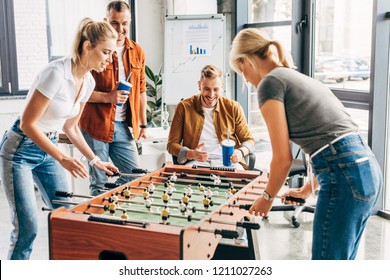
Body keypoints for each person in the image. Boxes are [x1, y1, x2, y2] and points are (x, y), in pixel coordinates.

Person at [229, 28, 382, 260]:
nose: (246, 80)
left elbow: (283, 159)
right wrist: (307, 188)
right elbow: (331, 140)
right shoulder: (295, 77)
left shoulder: (270, 83)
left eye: (241, 71)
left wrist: (267, 198)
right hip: (367, 171)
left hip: (345, 175)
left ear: (246, 60)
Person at [0, 18, 119, 260]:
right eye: (105, 52)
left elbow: (71, 127)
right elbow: (28, 124)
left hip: (49, 148)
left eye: (111, 53)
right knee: (27, 228)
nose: (109, 59)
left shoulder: (88, 82)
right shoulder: (55, 73)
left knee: (67, 216)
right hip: (20, 150)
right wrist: (63, 158)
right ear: (87, 46)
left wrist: (95, 160)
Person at [79, 0, 148, 196]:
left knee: (136, 175)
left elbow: (141, 90)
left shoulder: (137, 51)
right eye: (115, 23)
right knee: (99, 181)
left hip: (123, 126)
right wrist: (108, 97)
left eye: (124, 23)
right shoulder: (94, 50)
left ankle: (109, 199)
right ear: (105, 21)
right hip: (95, 124)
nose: (120, 29)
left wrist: (142, 125)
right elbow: (80, 91)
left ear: (130, 21)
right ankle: (100, 222)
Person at [167, 64, 255, 170]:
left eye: (216, 89)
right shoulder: (184, 107)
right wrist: (190, 154)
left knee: (239, 183)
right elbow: (172, 144)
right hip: (196, 162)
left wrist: (241, 152)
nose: (211, 94)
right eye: (207, 89)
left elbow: (249, 140)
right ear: (199, 85)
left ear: (222, 86)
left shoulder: (233, 107)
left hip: (228, 162)